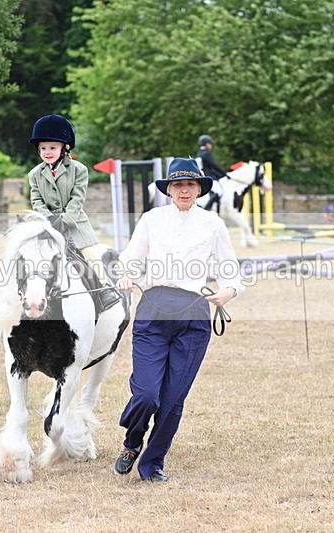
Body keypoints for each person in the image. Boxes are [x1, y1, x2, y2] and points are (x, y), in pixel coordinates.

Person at [113, 157, 244, 482]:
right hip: (154, 309)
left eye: (190, 185)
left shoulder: (213, 223)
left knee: (172, 399)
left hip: (195, 314)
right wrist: (126, 275)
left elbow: (232, 269)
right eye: (178, 185)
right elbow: (130, 258)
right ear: (169, 189)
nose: (184, 190)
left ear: (199, 188)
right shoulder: (151, 219)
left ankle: (152, 464)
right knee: (146, 394)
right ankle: (132, 441)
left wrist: (229, 291)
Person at [27, 114, 121, 312]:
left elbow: (78, 198)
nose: (47, 152)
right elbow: (36, 200)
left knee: (91, 256)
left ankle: (105, 289)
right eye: (43, 148)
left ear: (65, 148)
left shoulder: (79, 170)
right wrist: (49, 218)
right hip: (46, 223)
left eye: (52, 147)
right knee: (28, 254)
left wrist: (65, 219)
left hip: (74, 222)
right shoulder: (34, 174)